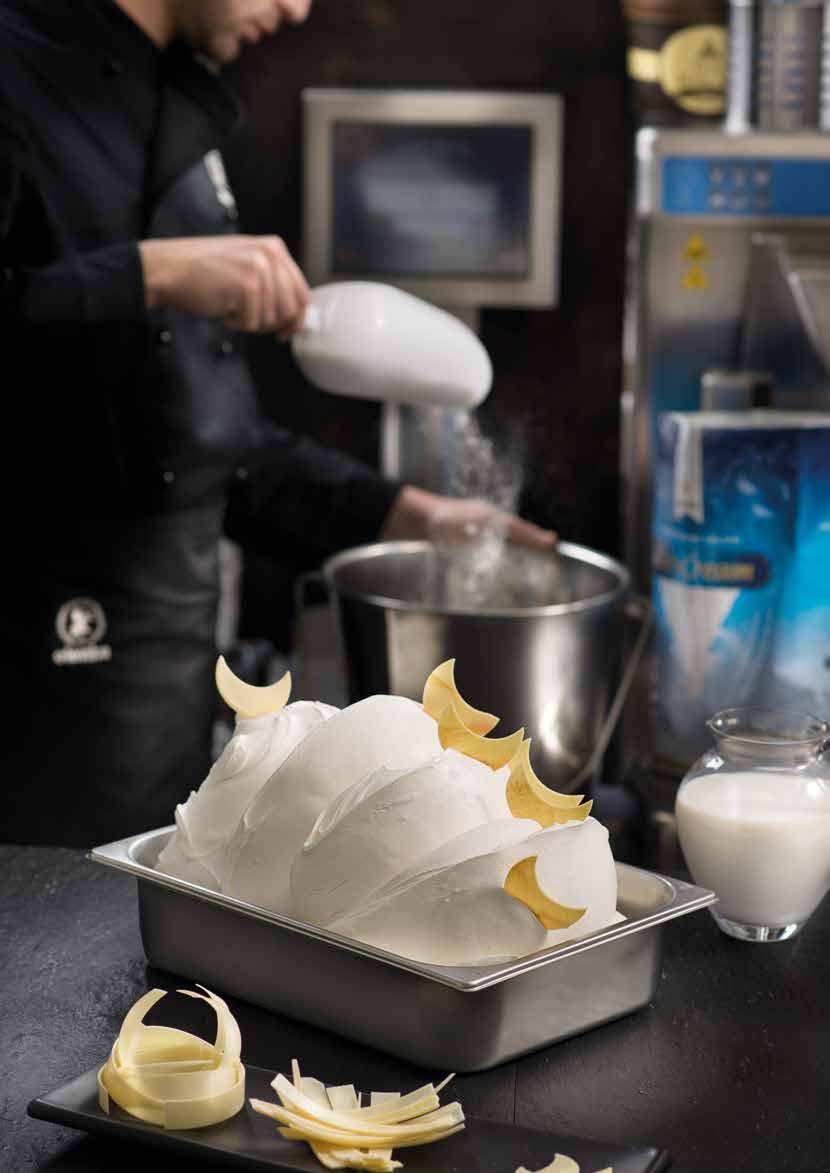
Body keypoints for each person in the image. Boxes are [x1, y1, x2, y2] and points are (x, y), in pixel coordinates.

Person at [0, 0, 555, 846]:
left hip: (162, 679)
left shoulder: (176, 97)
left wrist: (411, 517)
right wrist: (147, 274)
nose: (297, 6)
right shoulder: (14, 65)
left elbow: (204, 438)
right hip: (34, 678)